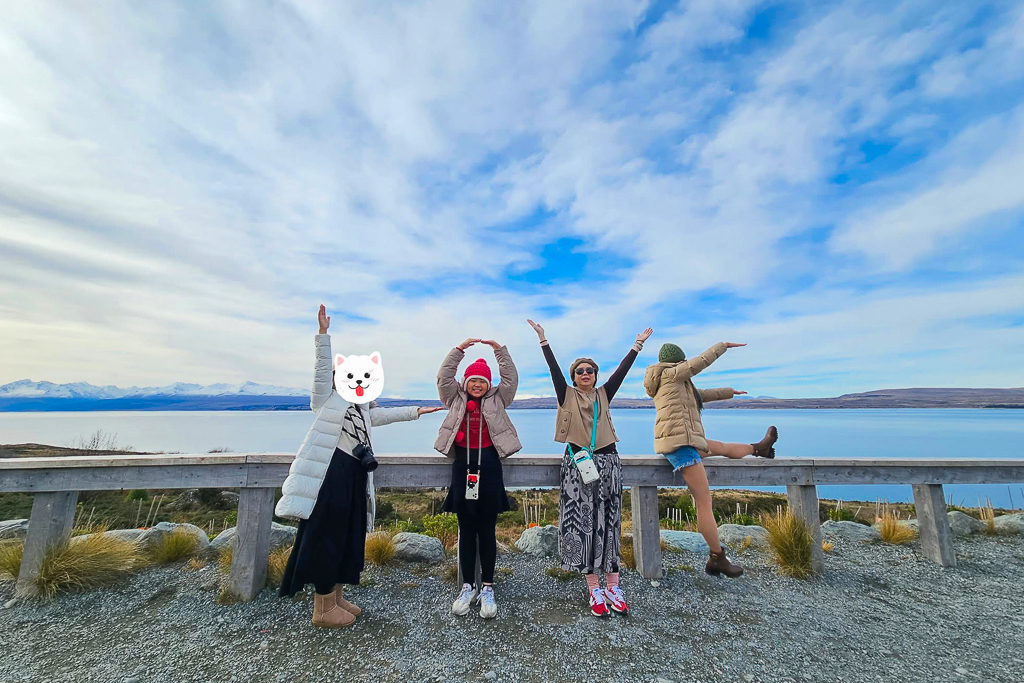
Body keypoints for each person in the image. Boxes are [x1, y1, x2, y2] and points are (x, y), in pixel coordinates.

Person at [275, 305, 443, 628]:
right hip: (329, 477)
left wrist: (416, 411)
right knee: (325, 537)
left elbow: (381, 416)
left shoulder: (361, 409)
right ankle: (322, 610)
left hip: (353, 478)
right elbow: (321, 373)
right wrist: (323, 336)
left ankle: (336, 598)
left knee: (346, 536)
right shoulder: (326, 401)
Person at [528, 318, 652, 617]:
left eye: (590, 370)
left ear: (596, 375)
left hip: (609, 463)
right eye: (579, 371)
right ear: (574, 376)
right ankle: (593, 588)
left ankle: (613, 585)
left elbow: (622, 372)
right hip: (579, 466)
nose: (585, 374)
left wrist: (637, 345)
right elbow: (554, 370)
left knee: (609, 522)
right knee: (584, 524)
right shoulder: (566, 395)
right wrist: (543, 340)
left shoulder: (604, 395)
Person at [643, 341, 778, 578]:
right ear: (678, 362)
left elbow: (701, 395)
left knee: (722, 447)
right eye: (684, 362)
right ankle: (717, 556)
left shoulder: (677, 383)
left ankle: (760, 448)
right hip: (681, 447)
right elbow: (701, 363)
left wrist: (729, 392)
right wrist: (722, 346)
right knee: (704, 503)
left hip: (687, 440)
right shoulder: (670, 375)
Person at [434, 338, 521, 619]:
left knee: (487, 530)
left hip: (490, 468)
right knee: (466, 530)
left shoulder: (499, 398)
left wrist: (500, 351)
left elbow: (511, 378)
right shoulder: (454, 398)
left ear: (488, 384)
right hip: (463, 468)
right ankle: (467, 587)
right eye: (473, 380)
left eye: (482, 381)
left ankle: (487, 587)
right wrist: (459, 350)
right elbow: (443, 376)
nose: (477, 385)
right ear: (466, 382)